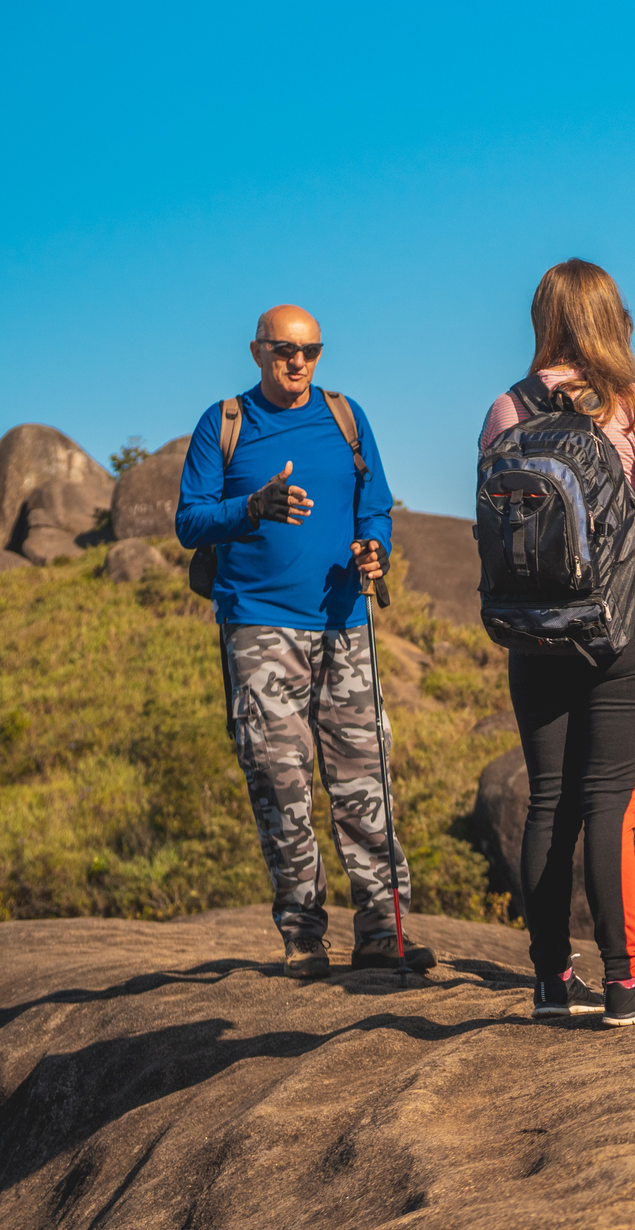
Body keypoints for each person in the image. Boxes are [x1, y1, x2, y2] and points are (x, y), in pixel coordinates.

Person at [479, 258, 635, 1027]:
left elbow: (493, 522)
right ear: (614, 320)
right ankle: (626, 980)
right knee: (611, 802)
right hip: (621, 629)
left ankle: (552, 980)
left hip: (532, 630)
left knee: (546, 799)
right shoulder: (632, 405)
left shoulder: (505, 408)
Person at [176, 305, 429, 980]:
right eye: (286, 351)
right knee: (280, 781)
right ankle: (303, 937)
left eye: (311, 351)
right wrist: (251, 508)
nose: (299, 363)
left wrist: (375, 546)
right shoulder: (225, 422)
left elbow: (375, 502)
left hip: (345, 622)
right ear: (258, 351)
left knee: (363, 779)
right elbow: (189, 521)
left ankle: (383, 931)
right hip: (259, 624)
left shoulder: (346, 416)